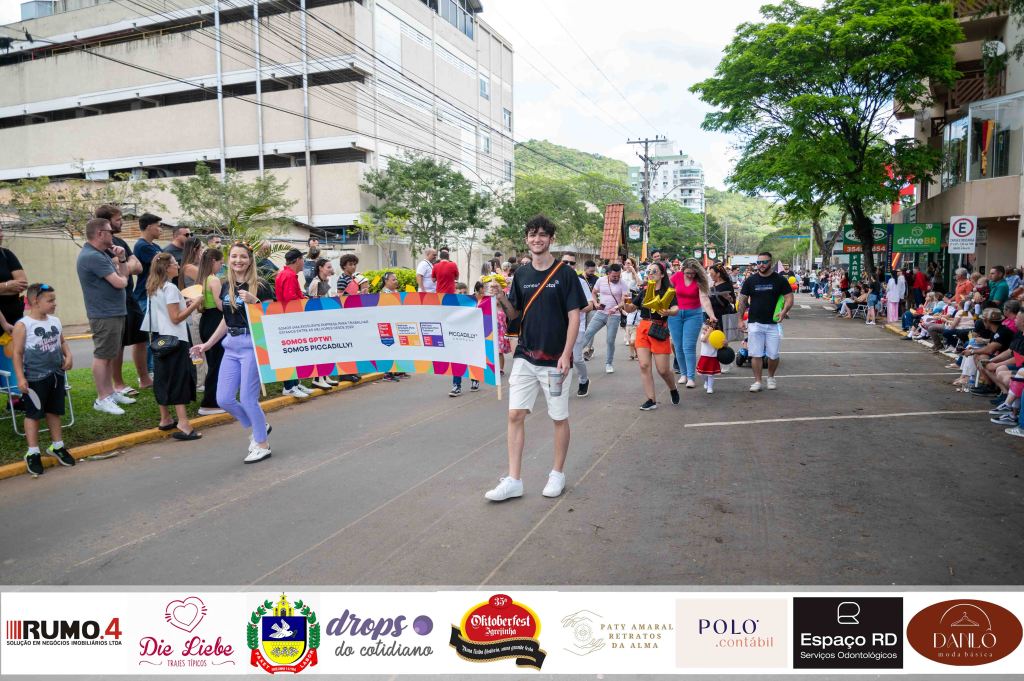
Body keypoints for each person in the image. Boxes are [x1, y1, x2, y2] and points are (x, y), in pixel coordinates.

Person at [487, 215, 586, 501]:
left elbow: (574, 316)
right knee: (515, 414)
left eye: (543, 234)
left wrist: (566, 354)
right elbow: (515, 314)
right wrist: (501, 297)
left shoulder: (565, 274)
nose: (537, 239)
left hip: (555, 359)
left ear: (551, 239)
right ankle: (513, 480)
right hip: (525, 356)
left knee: (558, 416)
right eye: (532, 234)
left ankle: (557, 473)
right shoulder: (521, 274)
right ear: (526, 239)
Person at [191, 242, 274, 463]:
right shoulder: (226, 285)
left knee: (247, 399)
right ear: (229, 260)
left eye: (243, 256)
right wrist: (208, 344)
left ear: (250, 260)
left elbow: (271, 317)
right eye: (234, 256)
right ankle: (259, 425)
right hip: (231, 345)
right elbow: (226, 320)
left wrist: (255, 302)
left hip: (252, 345)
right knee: (224, 399)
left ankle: (262, 444)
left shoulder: (261, 285)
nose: (238, 260)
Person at [11, 283, 76, 476]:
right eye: (50, 300)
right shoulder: (23, 325)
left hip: (56, 375)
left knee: (54, 411)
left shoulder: (55, 321)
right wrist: (20, 378)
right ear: (35, 301)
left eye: (54, 300)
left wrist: (68, 355)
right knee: (33, 414)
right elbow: (17, 353)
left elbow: (62, 342)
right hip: (34, 378)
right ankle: (32, 452)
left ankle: (57, 446)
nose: (54, 303)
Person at [76, 217, 133, 415]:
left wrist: (122, 259)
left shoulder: (102, 254)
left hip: (113, 311)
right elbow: (120, 282)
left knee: (110, 355)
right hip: (104, 314)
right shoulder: (93, 256)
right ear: (100, 234)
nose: (113, 235)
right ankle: (102, 398)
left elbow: (124, 277)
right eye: (110, 232)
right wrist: (122, 276)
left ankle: (110, 392)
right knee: (102, 356)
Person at [142, 254, 202, 440]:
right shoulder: (171, 288)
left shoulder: (153, 287)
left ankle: (165, 418)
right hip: (176, 339)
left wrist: (185, 304)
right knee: (179, 380)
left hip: (161, 339)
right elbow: (175, 318)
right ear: (167, 268)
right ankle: (184, 423)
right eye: (176, 264)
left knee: (163, 378)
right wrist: (195, 304)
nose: (178, 266)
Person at [96, 205, 149, 398]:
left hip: (129, 297)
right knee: (118, 343)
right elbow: (115, 268)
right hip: (112, 301)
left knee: (141, 338)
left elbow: (138, 267)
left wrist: (123, 263)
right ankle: (118, 383)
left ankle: (144, 378)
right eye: (118, 219)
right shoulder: (100, 247)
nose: (122, 223)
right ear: (107, 222)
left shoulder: (120, 242)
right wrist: (124, 264)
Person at [622, 261, 680, 410]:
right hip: (643, 328)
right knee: (644, 365)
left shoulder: (668, 291)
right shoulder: (644, 291)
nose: (651, 274)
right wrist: (625, 303)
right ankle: (651, 399)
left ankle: (673, 388)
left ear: (662, 274)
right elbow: (630, 309)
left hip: (659, 329)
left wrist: (669, 312)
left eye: (654, 271)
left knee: (663, 370)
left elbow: (676, 309)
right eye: (649, 272)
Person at [738, 251, 794, 392]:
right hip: (754, 322)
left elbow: (789, 298)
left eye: (764, 262)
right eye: (759, 262)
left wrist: (784, 311)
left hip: (773, 324)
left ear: (771, 262)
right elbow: (742, 300)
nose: (761, 265)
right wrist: (739, 319)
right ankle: (757, 381)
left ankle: (771, 377)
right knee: (755, 354)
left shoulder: (780, 280)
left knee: (773, 354)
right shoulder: (750, 280)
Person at [276, 249, 321, 394]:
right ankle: (289, 387)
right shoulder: (289, 275)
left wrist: (302, 297)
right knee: (291, 354)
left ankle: (295, 384)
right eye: (302, 259)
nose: (304, 263)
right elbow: (291, 300)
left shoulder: (285, 274)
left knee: (293, 353)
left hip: (287, 319)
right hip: (290, 320)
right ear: (297, 260)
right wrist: (304, 301)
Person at [669, 259, 717, 388]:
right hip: (675, 314)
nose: (690, 275)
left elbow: (704, 299)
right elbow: (666, 291)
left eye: (693, 273)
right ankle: (683, 374)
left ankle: (691, 377)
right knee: (678, 346)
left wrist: (711, 315)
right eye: (688, 273)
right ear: (683, 270)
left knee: (688, 346)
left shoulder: (699, 280)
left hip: (693, 315)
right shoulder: (676, 276)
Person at [580, 263, 630, 374]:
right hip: (600, 313)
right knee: (588, 333)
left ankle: (609, 363)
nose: (616, 278)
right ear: (608, 273)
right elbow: (593, 293)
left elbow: (624, 301)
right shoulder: (600, 280)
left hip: (614, 316)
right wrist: (595, 303)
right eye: (614, 276)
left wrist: (616, 308)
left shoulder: (622, 283)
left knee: (610, 341)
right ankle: (574, 356)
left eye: (618, 276)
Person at [132, 212, 164, 380]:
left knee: (157, 333)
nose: (161, 229)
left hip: (155, 295)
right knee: (147, 335)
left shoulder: (155, 246)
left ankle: (155, 368)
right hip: (145, 296)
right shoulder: (142, 246)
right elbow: (164, 263)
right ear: (149, 226)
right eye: (158, 226)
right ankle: (147, 371)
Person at [0, 223, 29, 401]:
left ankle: (16, 398)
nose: (0, 234)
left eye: (1, 230)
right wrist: (7, 285)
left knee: (12, 357)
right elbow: (13, 285)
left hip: (13, 317)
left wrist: (5, 288)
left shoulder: (6, 254)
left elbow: (22, 283)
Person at [196, 248, 226, 416]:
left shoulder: (202, 278)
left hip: (205, 320)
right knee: (217, 364)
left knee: (214, 363)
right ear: (213, 261)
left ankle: (214, 400)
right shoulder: (214, 280)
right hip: (215, 320)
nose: (221, 266)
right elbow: (220, 305)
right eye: (220, 263)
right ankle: (210, 403)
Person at [560, 253, 594, 398]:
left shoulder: (580, 282)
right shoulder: (553, 280)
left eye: (572, 263)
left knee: (577, 358)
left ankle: (584, 380)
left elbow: (590, 305)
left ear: (575, 266)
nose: (568, 265)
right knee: (557, 357)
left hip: (577, 326)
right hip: (558, 327)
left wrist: (573, 308)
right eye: (565, 262)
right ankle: (558, 386)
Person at [449, 281, 484, 397]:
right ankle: (456, 386)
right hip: (456, 337)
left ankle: (475, 379)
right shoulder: (451, 305)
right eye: (460, 293)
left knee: (472, 359)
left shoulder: (472, 303)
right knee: (457, 361)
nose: (462, 295)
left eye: (465, 292)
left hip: (470, 336)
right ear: (455, 293)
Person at [696, 322, 722, 394]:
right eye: (704, 329)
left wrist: (724, 343)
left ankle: (710, 387)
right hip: (704, 357)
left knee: (711, 374)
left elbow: (722, 344)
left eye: (706, 328)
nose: (704, 330)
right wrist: (708, 332)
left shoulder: (716, 335)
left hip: (713, 357)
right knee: (702, 374)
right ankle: (706, 381)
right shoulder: (703, 335)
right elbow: (703, 340)